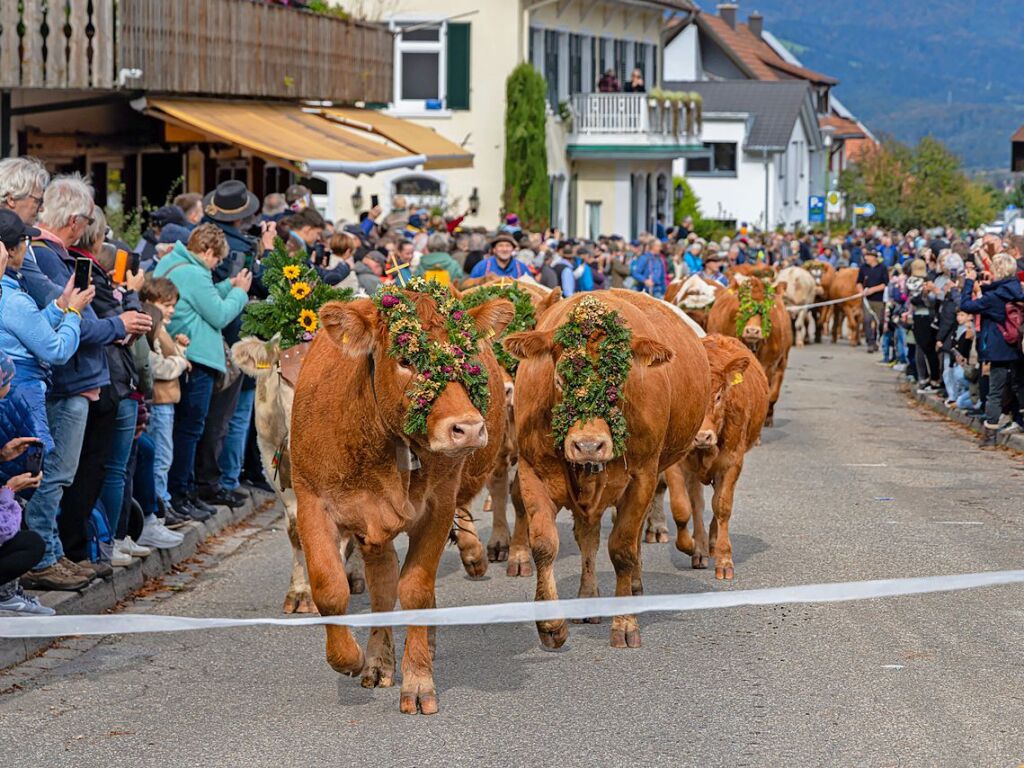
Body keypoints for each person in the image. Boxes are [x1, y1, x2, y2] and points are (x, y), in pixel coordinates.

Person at [22, 175, 151, 589]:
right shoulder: (43, 255)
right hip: (69, 380)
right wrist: (117, 322)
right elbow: (75, 322)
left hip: (79, 378)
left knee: (64, 475)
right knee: (57, 476)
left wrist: (107, 321)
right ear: (77, 222)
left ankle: (55, 552)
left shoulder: (46, 253)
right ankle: (45, 558)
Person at [153, 223, 250, 520]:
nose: (216, 265)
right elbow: (219, 313)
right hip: (197, 358)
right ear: (207, 251)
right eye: (216, 260)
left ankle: (184, 491)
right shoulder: (194, 273)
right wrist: (241, 293)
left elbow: (202, 299)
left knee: (186, 430)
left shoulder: (176, 263)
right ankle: (181, 493)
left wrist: (226, 285)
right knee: (191, 430)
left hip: (187, 353)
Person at [139, 277, 191, 531]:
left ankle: (164, 500)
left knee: (164, 454)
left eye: (173, 306)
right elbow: (157, 366)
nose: (170, 310)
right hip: (159, 401)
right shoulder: (153, 327)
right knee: (160, 455)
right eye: (166, 304)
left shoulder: (162, 327)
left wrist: (180, 348)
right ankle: (161, 503)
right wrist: (181, 363)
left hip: (166, 401)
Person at [960, 253, 1024, 446]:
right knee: (1020, 387)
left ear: (997, 270)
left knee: (995, 392)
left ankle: (990, 436)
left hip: (999, 347)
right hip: (1018, 345)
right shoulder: (1017, 291)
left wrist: (969, 283)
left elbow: (966, 305)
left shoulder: (994, 297)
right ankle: (1019, 421)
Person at [857, 250, 889, 353]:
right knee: (867, 321)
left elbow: (885, 284)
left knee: (879, 322)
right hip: (867, 300)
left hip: (879, 299)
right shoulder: (863, 268)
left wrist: (872, 290)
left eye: (868, 256)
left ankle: (876, 339)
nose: (866, 258)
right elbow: (859, 282)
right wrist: (861, 291)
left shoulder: (882, 268)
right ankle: (870, 342)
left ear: (874, 257)